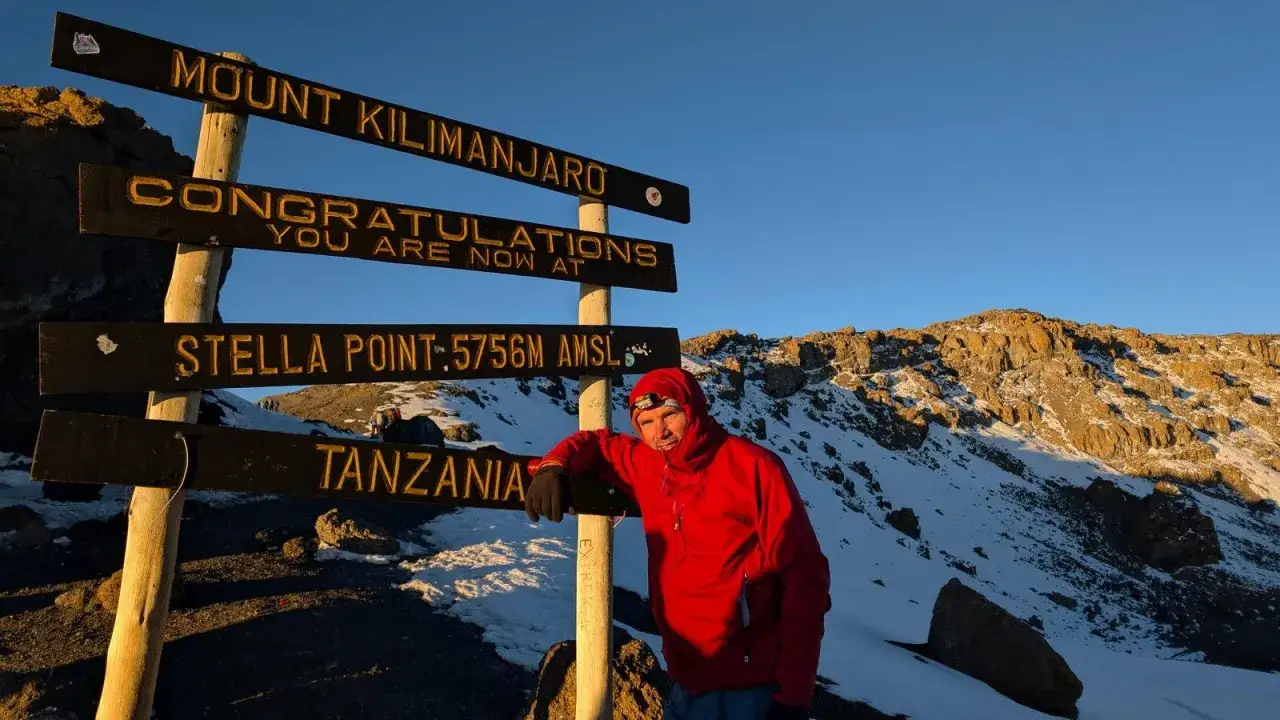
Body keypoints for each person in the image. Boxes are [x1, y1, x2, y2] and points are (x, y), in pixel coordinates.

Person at [524, 367, 831, 720]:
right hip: (685, 681)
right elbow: (596, 442)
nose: (661, 432)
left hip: (751, 688)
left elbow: (806, 581)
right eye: (647, 422)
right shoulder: (647, 463)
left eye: (670, 415)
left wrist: (793, 697)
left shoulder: (753, 468)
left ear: (693, 410)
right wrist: (552, 466)